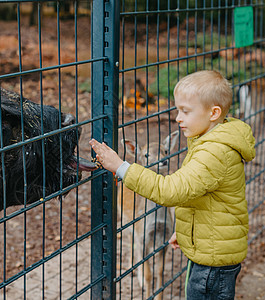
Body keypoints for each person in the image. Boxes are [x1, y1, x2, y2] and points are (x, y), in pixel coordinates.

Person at [89, 70, 256, 299]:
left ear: (213, 113)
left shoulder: (214, 152)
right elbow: (202, 196)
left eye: (185, 111)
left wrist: (121, 167)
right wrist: (185, 230)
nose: (177, 117)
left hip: (213, 261)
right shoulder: (210, 141)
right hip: (212, 251)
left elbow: (170, 191)